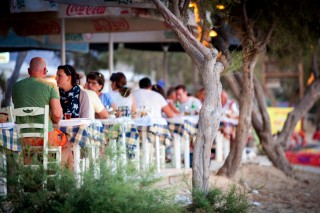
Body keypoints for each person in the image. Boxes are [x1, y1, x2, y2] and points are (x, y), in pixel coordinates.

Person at [12, 57, 71, 167]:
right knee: (66, 143)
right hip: (44, 138)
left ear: (29, 71)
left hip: (23, 140)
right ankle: (57, 176)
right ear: (44, 71)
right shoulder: (50, 86)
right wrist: (53, 119)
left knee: (31, 151)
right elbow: (58, 115)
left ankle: (29, 176)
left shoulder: (16, 87)